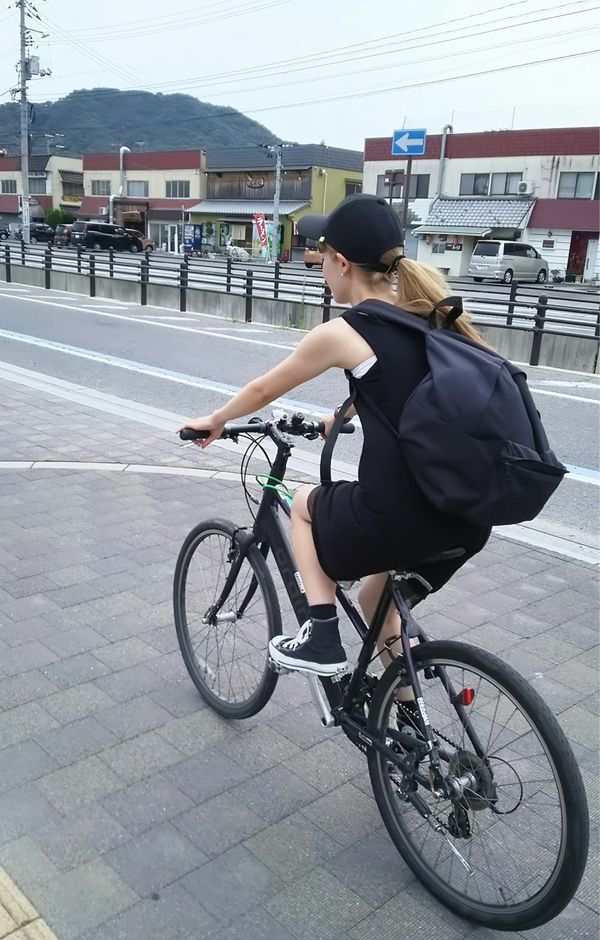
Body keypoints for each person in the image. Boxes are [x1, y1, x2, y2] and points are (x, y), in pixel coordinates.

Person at [178, 194, 491, 678]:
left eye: (322, 256)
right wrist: (336, 418)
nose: (320, 265)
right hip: (465, 520)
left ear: (342, 264)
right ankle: (405, 734)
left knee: (304, 504)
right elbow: (408, 397)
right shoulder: (428, 320)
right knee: (374, 600)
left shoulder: (345, 331)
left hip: (398, 518)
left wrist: (216, 420)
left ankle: (322, 637)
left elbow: (263, 388)